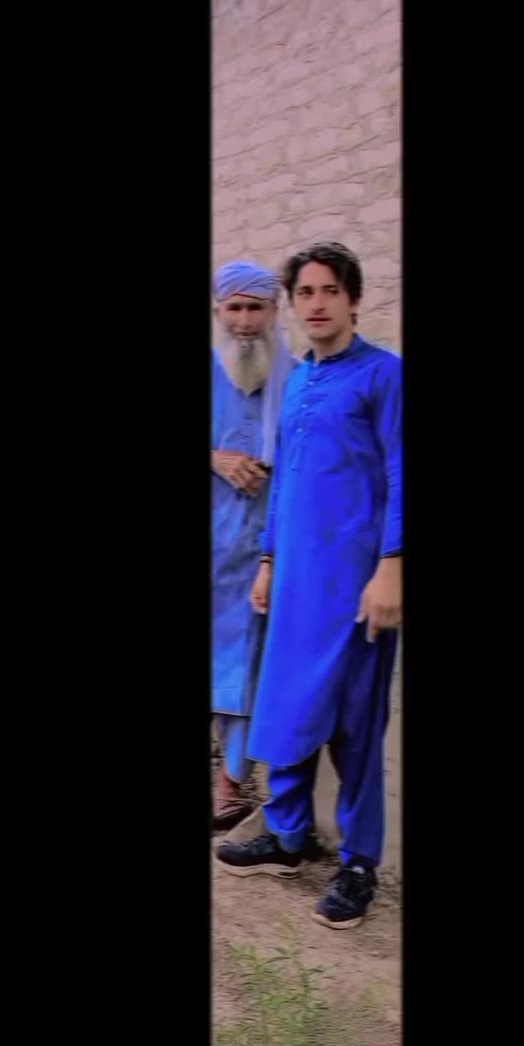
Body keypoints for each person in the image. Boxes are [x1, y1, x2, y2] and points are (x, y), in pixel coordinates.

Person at [216, 242, 402, 929]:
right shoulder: (297, 382)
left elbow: (402, 473)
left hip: (355, 586)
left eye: (330, 291)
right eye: (305, 293)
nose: (317, 304)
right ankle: (289, 836)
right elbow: (286, 482)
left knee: (354, 725)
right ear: (292, 305)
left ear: (353, 299)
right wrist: (268, 561)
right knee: (288, 708)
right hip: (294, 583)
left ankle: (358, 865)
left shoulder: (384, 375)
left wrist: (392, 565)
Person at [211, 259, 298, 830]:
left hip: (265, 551)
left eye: (256, 308)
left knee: (249, 662)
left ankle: (230, 786)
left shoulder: (298, 380)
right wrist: (215, 457)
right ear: (218, 312)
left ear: (274, 312)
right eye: (234, 308)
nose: (245, 321)